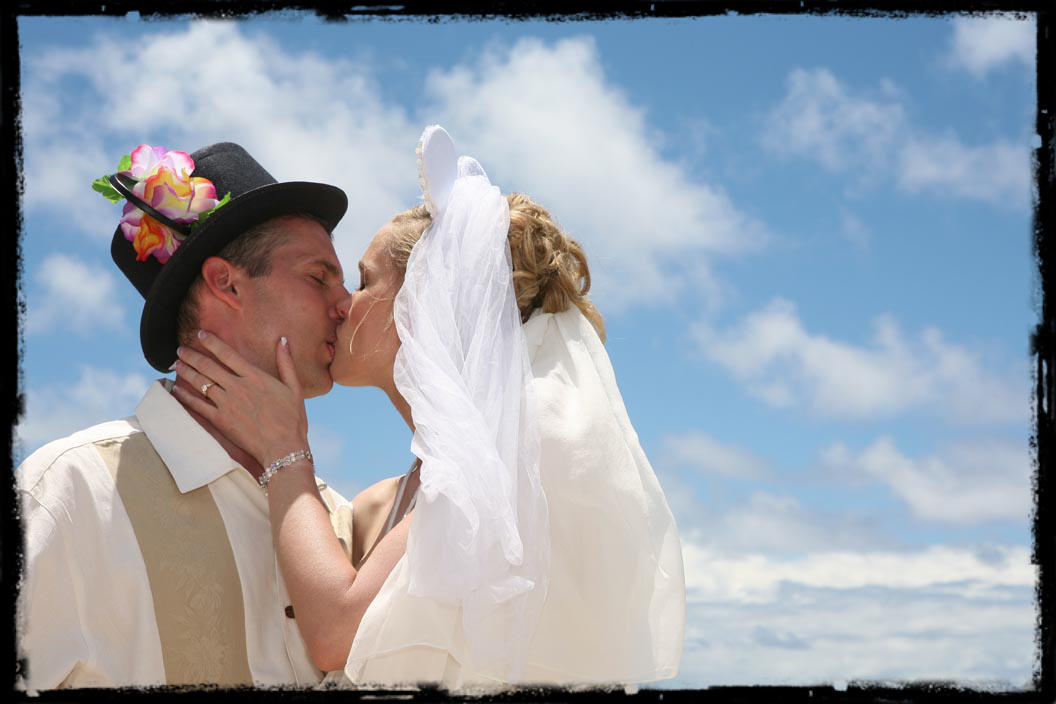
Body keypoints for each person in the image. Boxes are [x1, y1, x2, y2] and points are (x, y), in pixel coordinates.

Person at [174, 126, 686, 689]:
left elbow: (335, 634)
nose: (341, 304)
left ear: (426, 302)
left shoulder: (501, 467)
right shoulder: (397, 497)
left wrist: (285, 451)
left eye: (363, 282)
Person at [15, 142, 408, 689]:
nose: (346, 304)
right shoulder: (71, 493)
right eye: (319, 278)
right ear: (226, 283)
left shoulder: (336, 522)